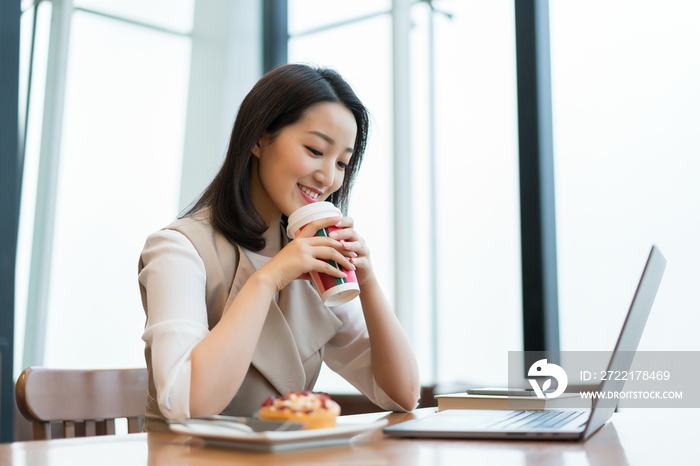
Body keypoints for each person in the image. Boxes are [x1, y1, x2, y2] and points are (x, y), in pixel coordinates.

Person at [138, 64, 420, 432]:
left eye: (342, 163)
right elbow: (189, 403)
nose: (328, 177)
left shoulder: (315, 260)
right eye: (315, 149)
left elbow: (402, 394)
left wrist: (368, 282)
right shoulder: (178, 249)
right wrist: (268, 278)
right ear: (258, 138)